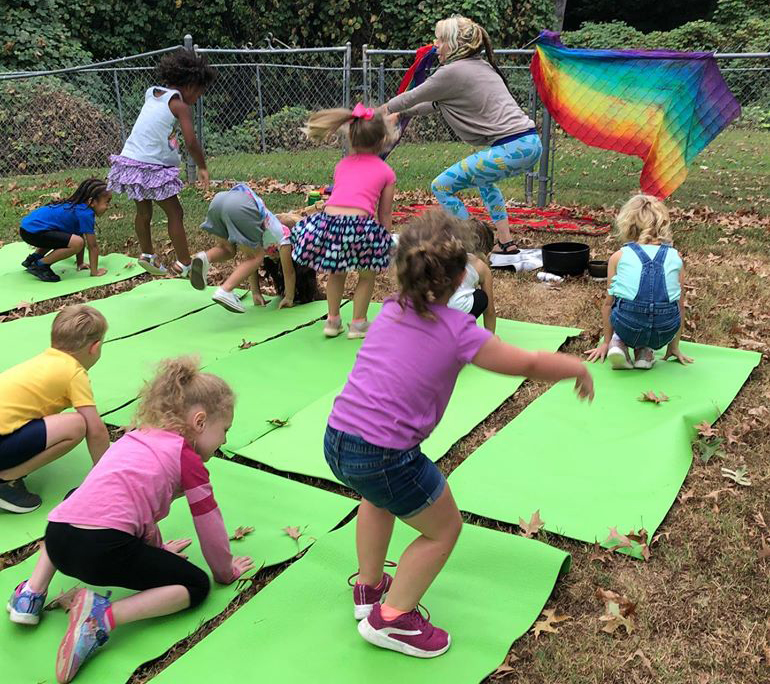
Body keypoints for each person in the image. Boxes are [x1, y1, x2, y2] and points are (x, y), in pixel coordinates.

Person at [324, 210, 593, 658]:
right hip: (387, 455)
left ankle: (369, 590)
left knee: (376, 498)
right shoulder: (458, 331)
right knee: (442, 530)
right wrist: (575, 367)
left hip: (338, 438)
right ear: (460, 277)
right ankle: (391, 619)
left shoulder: (391, 310)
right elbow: (525, 363)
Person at [7, 357, 254, 684]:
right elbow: (209, 525)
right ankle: (103, 615)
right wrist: (225, 571)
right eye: (224, 430)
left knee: (77, 499)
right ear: (199, 421)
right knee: (196, 585)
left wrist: (159, 551)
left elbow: (126, 504)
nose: (223, 440)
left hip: (57, 535)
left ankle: (31, 593)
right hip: (99, 551)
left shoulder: (136, 437)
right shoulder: (188, 460)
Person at [382, 16, 541, 255]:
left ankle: (470, 247)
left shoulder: (452, 72)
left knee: (441, 186)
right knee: (485, 182)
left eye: (441, 40)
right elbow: (432, 105)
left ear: (455, 44)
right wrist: (401, 114)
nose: (435, 45)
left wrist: (379, 112)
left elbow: (411, 96)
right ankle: (506, 242)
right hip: (528, 143)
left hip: (511, 146)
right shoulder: (478, 66)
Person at [107, 49, 216, 277]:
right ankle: (185, 263)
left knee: (144, 212)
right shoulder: (180, 106)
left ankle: (148, 255)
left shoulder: (152, 94)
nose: (198, 98)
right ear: (191, 85)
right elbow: (191, 141)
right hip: (148, 165)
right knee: (175, 213)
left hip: (129, 161)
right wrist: (202, 166)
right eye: (199, 92)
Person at [292, 103, 396, 339]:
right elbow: (385, 213)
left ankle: (332, 321)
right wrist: (384, 239)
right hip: (360, 227)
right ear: (382, 141)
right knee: (367, 274)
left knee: (336, 272)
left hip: (329, 224)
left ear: (351, 137)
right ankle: (358, 324)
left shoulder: (342, 165)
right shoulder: (386, 171)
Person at [0, 306, 110, 513]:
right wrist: (107, 474)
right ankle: (5, 480)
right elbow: (96, 430)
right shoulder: (73, 373)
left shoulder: (44, 360)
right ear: (94, 348)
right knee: (77, 424)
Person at [585, 194, 693, 370]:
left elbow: (608, 304)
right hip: (663, 333)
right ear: (662, 224)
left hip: (628, 327)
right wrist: (673, 346)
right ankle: (644, 352)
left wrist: (605, 342)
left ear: (627, 224)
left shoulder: (619, 256)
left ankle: (617, 343)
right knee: (660, 307)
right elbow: (680, 305)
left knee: (618, 300)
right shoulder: (675, 256)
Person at [189, 184, 295, 313]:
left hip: (219, 200)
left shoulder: (266, 232)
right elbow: (289, 272)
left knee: (227, 250)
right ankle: (225, 290)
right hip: (239, 206)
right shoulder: (284, 238)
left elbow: (249, 263)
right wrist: (289, 297)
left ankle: (205, 257)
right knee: (256, 257)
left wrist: (256, 293)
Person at [19, 179, 111, 283]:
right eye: (107, 202)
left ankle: (33, 259)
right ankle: (40, 265)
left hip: (27, 229)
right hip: (33, 232)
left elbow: (79, 234)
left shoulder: (77, 207)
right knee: (76, 243)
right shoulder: (85, 213)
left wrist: (80, 264)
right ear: (92, 202)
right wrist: (95, 272)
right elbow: (92, 246)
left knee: (69, 238)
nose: (108, 206)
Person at [448, 219, 496, 332]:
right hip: (455, 311)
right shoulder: (481, 266)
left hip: (431, 309)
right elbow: (489, 311)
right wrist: (490, 338)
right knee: (481, 297)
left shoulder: (446, 253)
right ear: (487, 251)